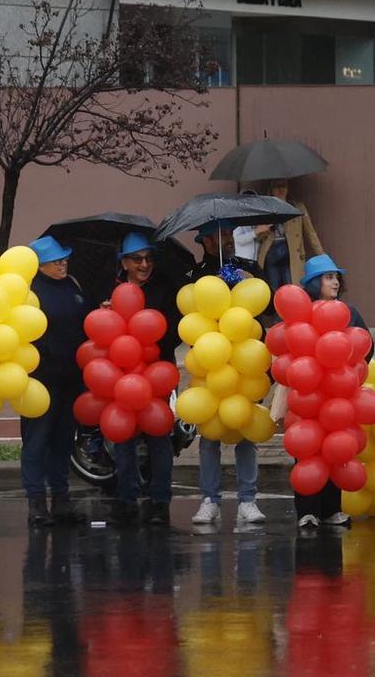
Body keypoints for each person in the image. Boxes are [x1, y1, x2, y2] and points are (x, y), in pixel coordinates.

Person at [192, 222, 267, 529]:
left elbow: (264, 301)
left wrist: (241, 282)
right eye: (220, 236)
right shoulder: (196, 274)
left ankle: (248, 500)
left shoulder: (248, 268)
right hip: (211, 361)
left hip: (245, 360)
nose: (227, 241)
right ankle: (210, 499)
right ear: (206, 241)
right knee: (209, 434)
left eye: (229, 235)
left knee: (246, 430)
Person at [108, 231, 184, 526]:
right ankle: (126, 499)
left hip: (157, 372)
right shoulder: (111, 289)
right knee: (123, 436)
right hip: (120, 373)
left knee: (159, 436)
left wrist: (152, 333)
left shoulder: (164, 288)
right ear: (124, 262)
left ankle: (159, 502)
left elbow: (176, 330)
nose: (145, 264)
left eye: (149, 258)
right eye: (137, 259)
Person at [24, 236, 91, 526]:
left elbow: (84, 321)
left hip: (71, 378)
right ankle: (36, 504)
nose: (63, 262)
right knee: (37, 441)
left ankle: (61, 501)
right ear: (39, 265)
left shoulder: (72, 285)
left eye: (64, 257)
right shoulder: (30, 293)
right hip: (40, 381)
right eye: (56, 259)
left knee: (64, 441)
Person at [295, 255, 365, 531]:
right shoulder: (302, 313)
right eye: (328, 277)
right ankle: (307, 511)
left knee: (337, 448)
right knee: (307, 448)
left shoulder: (350, 313)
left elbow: (364, 348)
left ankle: (332, 509)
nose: (335, 281)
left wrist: (346, 375)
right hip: (308, 395)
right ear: (314, 283)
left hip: (339, 393)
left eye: (336, 277)